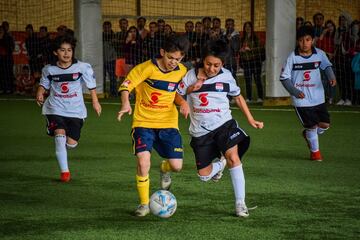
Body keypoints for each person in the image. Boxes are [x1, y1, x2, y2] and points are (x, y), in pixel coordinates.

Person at [177, 39, 264, 217]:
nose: (212, 69)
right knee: (204, 175)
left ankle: (240, 203)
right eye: (208, 64)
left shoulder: (227, 76)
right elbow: (176, 95)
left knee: (233, 157)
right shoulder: (190, 76)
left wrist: (251, 119)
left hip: (224, 124)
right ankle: (221, 163)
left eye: (216, 65)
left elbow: (238, 98)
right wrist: (188, 94)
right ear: (203, 60)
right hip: (200, 132)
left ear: (222, 64)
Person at [117, 35, 190, 217]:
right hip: (143, 122)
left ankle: (164, 170)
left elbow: (176, 94)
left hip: (168, 123)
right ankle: (144, 204)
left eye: (178, 59)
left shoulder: (182, 71)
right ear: (162, 52)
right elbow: (126, 86)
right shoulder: (146, 68)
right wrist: (126, 103)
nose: (174, 62)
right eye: (170, 57)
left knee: (177, 166)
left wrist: (183, 103)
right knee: (143, 162)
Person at [36, 34, 102, 182]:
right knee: (59, 135)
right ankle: (65, 172)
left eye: (69, 50)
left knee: (71, 144)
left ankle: (63, 146)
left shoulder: (82, 67)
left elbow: (91, 86)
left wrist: (95, 102)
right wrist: (40, 93)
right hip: (55, 108)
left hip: (76, 111)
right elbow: (44, 84)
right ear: (55, 52)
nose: (66, 54)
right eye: (62, 50)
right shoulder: (49, 69)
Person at [280, 25, 336, 161]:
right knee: (312, 126)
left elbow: (326, 66)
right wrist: (294, 91)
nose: (304, 43)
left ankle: (309, 135)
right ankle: (315, 153)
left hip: (318, 97)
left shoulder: (319, 54)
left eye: (307, 40)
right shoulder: (292, 57)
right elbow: (284, 78)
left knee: (324, 125)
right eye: (301, 40)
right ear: (297, 41)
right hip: (301, 99)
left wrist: (331, 77)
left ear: (313, 40)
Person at [239, 21, 265, 103]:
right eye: (246, 27)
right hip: (246, 62)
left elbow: (260, 48)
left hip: (255, 61)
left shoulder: (256, 37)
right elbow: (239, 50)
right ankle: (249, 98)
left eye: (249, 26)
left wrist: (250, 49)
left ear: (251, 28)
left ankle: (260, 97)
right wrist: (241, 50)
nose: (247, 28)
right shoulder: (242, 39)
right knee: (248, 80)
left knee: (257, 79)